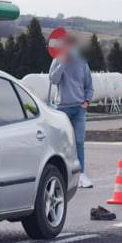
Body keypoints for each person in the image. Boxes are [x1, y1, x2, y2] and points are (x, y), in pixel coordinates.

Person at [49, 35, 95, 188]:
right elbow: (53, 79)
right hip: (62, 108)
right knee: (61, 143)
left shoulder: (82, 64)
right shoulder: (57, 60)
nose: (71, 50)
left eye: (73, 47)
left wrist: (86, 101)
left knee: (79, 142)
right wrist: (61, 63)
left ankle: (81, 174)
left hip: (79, 109)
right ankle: (61, 175)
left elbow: (89, 86)